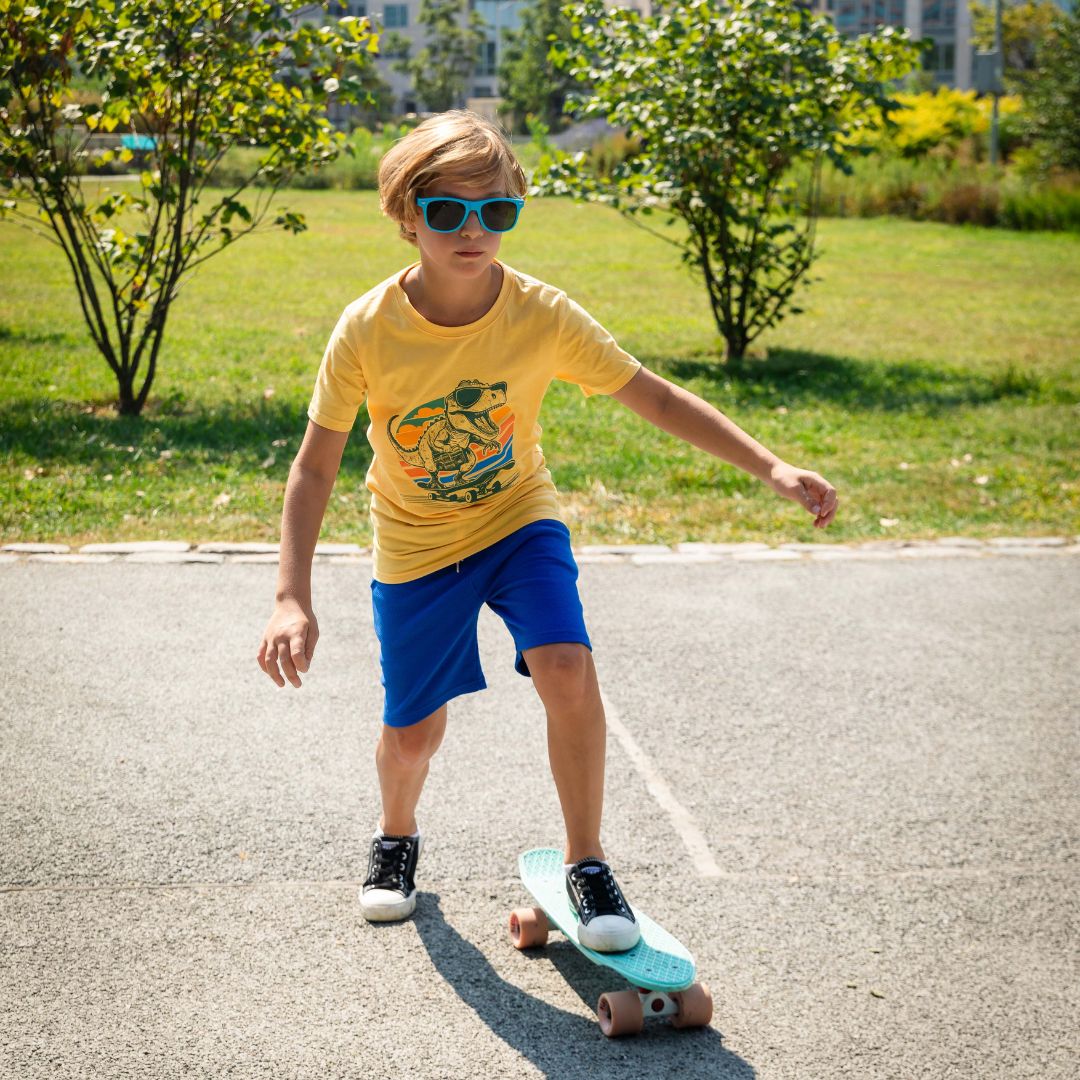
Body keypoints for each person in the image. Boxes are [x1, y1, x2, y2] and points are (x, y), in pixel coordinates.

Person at [257, 110, 838, 952]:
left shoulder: (542, 313)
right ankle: (396, 836)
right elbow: (315, 469)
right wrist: (291, 596)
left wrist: (771, 466)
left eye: (496, 211)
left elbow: (654, 395)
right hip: (417, 543)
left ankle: (587, 861)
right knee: (413, 733)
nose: (474, 230)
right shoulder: (368, 328)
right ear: (407, 216)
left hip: (519, 519)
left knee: (566, 667)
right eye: (449, 211)